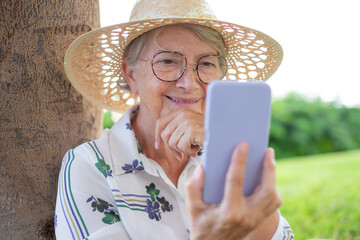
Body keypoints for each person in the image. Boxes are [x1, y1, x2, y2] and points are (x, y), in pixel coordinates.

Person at [55, 0, 294, 239]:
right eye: (167, 61)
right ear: (131, 75)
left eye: (207, 63)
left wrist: (226, 150)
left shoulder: (225, 151)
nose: (189, 83)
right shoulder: (90, 166)